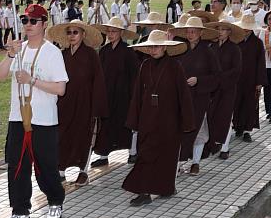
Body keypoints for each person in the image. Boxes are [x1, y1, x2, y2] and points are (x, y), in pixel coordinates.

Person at [0, 4, 67, 218]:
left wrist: (31, 80)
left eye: (34, 21)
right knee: (17, 166)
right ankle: (19, 210)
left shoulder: (52, 53)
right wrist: (9, 55)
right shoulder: (19, 49)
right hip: (18, 117)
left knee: (46, 165)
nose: (28, 25)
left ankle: (55, 201)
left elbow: (60, 89)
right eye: (25, 20)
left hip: (43, 119)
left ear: (44, 24)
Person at [123, 30, 193, 206]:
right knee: (145, 154)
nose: (153, 49)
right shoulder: (145, 66)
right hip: (148, 118)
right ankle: (144, 192)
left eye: (157, 46)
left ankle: (166, 187)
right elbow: (138, 94)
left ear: (164, 47)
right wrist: (134, 119)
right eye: (151, 46)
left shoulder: (175, 66)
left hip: (169, 119)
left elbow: (183, 95)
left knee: (167, 155)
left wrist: (186, 120)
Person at [46, 20, 107, 186]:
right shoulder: (62, 54)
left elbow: (99, 81)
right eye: (69, 32)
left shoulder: (91, 55)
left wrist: (97, 107)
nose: (72, 36)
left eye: (75, 32)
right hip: (64, 103)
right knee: (63, 134)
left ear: (83, 34)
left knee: (83, 136)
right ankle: (60, 169)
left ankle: (83, 171)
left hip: (85, 103)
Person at [174, 17, 220, 175]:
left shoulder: (208, 52)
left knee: (199, 129)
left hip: (200, 97)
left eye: (194, 31)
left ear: (201, 32)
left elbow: (216, 76)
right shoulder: (180, 49)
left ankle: (195, 162)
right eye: (188, 31)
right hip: (182, 96)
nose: (190, 34)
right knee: (180, 129)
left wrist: (199, 80)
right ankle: (179, 162)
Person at [91, 16, 140, 167]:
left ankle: (132, 153)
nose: (111, 34)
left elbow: (135, 76)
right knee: (105, 126)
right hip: (107, 95)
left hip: (124, 96)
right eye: (109, 31)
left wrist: (134, 97)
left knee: (127, 125)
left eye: (114, 31)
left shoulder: (128, 51)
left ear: (121, 33)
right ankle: (103, 155)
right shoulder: (104, 51)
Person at [206, 20, 244, 159]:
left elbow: (237, 69)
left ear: (229, 32)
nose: (220, 32)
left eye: (223, 29)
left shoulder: (235, 49)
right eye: (219, 29)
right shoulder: (211, 47)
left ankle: (225, 147)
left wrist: (221, 76)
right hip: (212, 89)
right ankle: (212, 144)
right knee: (211, 116)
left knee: (226, 116)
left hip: (228, 88)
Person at [232, 14, 267, 142]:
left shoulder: (257, 43)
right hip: (237, 79)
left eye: (248, 28)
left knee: (250, 104)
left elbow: (261, 63)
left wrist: (259, 82)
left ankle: (247, 130)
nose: (245, 30)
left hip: (252, 79)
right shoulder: (235, 41)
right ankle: (237, 126)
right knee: (236, 103)